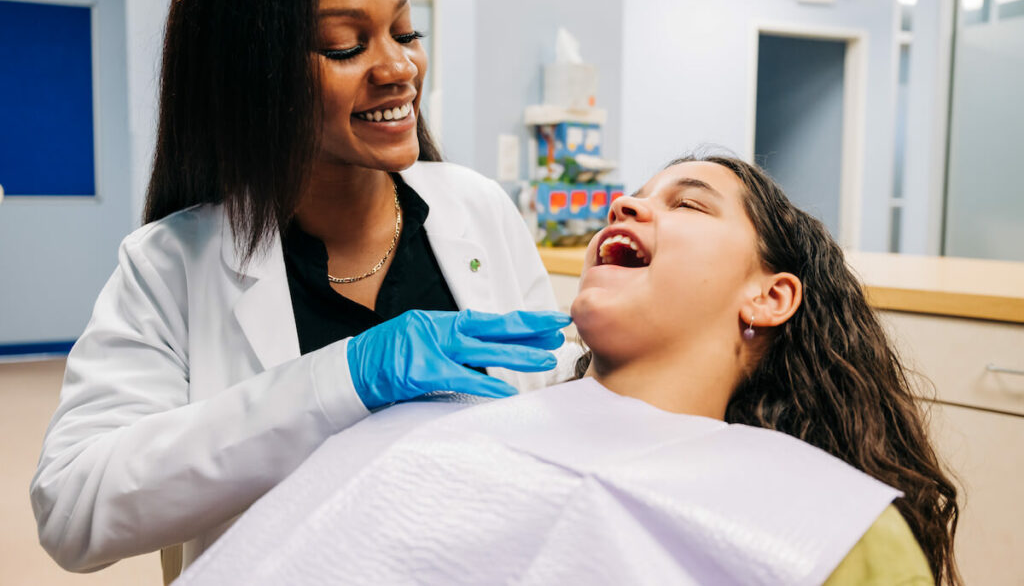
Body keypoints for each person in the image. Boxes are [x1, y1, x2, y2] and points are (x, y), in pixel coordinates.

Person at [30, 0, 575, 577]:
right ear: (251, 72)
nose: (399, 66)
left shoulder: (479, 209)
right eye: (346, 45)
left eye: (406, 31)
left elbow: (550, 400)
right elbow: (72, 507)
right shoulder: (170, 265)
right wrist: (342, 380)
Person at [177, 154, 960, 586]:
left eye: (688, 204)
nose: (625, 206)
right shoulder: (420, 436)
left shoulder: (835, 533)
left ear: (770, 295)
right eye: (634, 196)